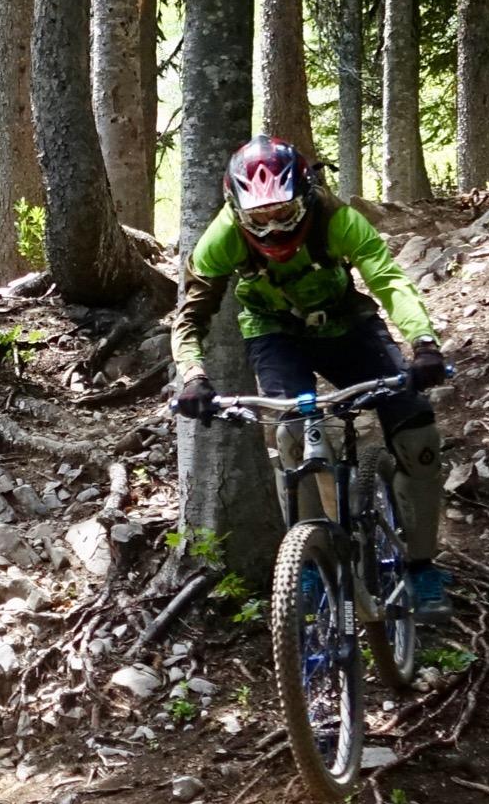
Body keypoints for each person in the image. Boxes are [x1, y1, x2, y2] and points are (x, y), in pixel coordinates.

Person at [171, 134, 454, 618]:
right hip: (274, 333)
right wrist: (193, 376)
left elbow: (387, 279)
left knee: (417, 437)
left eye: (284, 213)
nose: (275, 229)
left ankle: (423, 567)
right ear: (238, 212)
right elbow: (189, 315)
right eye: (259, 219)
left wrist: (423, 343)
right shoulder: (220, 239)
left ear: (305, 198)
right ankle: (307, 562)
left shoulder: (337, 219)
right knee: (293, 436)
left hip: (348, 324)